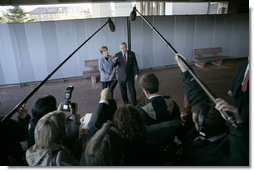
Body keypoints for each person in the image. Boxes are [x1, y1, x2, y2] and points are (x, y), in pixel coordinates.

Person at [175, 54, 249, 166]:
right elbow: (198, 99)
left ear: (200, 126)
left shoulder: (211, 159)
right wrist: (185, 70)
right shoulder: (234, 143)